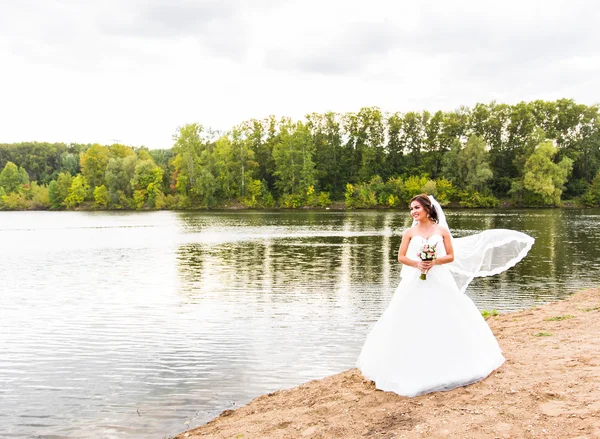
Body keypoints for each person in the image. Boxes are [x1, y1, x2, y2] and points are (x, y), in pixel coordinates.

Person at [356, 194, 534, 397]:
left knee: (446, 315)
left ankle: (451, 363)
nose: (413, 211)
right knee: (408, 317)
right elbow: (401, 256)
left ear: (427, 209)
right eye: (411, 208)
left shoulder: (441, 231)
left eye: (416, 208)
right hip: (415, 279)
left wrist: (434, 261)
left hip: (439, 278)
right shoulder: (409, 232)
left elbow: (450, 256)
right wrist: (417, 264)